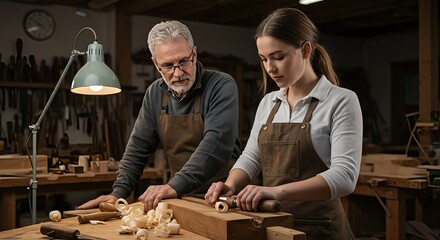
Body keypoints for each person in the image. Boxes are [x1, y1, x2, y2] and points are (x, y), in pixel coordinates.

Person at [205, 8, 362, 239]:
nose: (270, 68)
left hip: (320, 228)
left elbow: (345, 177)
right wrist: (230, 185)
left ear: (306, 49)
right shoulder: (269, 103)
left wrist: (275, 192)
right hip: (273, 226)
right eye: (264, 59)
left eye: (279, 57)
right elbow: (251, 157)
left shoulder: (341, 100)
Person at [79, 20, 241, 211]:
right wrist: (118, 193)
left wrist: (173, 186)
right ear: (156, 64)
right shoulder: (155, 93)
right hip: (183, 197)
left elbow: (216, 144)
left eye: (183, 61)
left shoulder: (220, 85)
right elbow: (138, 148)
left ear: (194, 54)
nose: (178, 73)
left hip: (227, 198)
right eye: (168, 66)